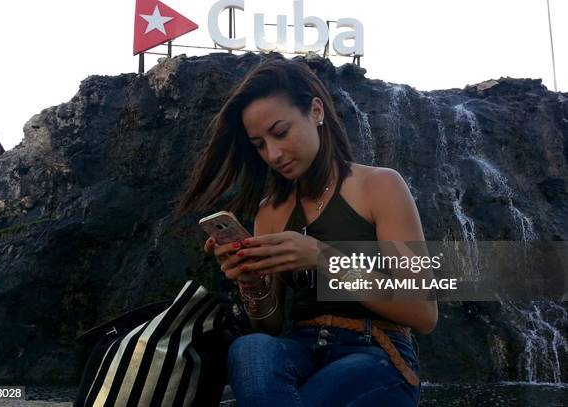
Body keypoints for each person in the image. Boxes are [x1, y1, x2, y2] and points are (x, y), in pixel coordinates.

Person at [177, 55, 437, 406]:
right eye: (259, 145)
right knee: (250, 348)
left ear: (316, 112)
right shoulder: (269, 212)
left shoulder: (379, 186)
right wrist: (250, 281)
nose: (273, 154)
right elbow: (268, 328)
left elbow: (422, 311)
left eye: (280, 132)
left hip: (376, 351)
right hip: (299, 350)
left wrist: (322, 256)